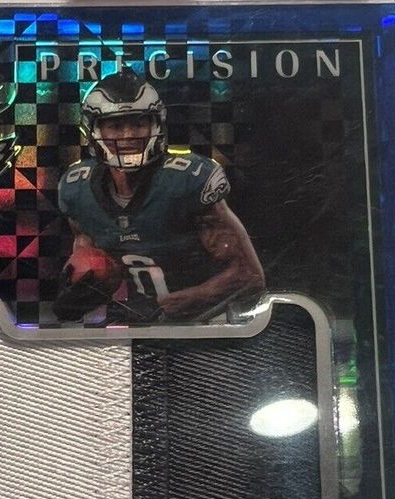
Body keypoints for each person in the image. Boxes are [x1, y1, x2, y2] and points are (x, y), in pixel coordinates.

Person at [55, 68, 264, 322]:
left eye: (138, 123)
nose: (129, 135)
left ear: (156, 124)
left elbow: (249, 275)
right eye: (116, 126)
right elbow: (97, 266)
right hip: (138, 325)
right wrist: (82, 290)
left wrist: (191, 299)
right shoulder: (78, 190)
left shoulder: (188, 181)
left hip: (207, 324)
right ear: (94, 130)